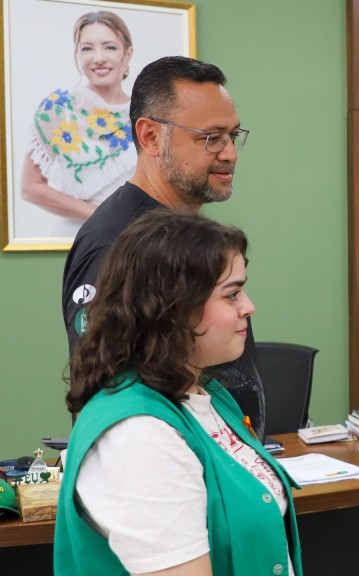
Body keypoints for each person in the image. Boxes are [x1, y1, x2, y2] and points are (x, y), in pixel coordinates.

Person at [54, 210, 301, 575]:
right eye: (232, 295)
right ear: (174, 309)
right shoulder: (139, 435)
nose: (249, 307)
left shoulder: (206, 394)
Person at [61, 55, 266, 439]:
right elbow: (106, 393)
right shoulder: (115, 243)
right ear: (151, 137)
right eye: (211, 137)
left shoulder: (186, 233)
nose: (230, 153)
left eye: (233, 135)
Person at [22, 11, 137, 237]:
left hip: (133, 238)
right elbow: (30, 188)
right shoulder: (57, 111)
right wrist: (105, 216)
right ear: (77, 54)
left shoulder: (143, 113)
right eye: (87, 48)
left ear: (128, 53)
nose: (99, 57)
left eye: (109, 47)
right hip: (73, 237)